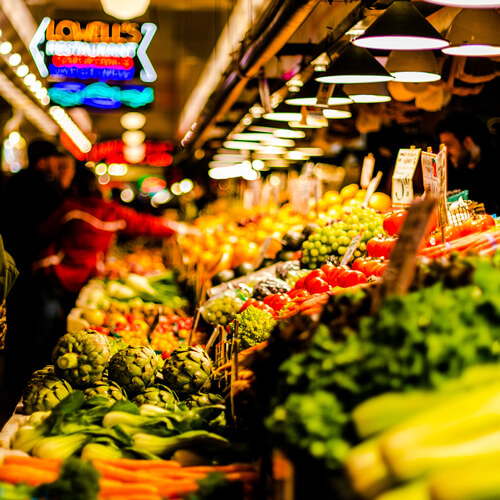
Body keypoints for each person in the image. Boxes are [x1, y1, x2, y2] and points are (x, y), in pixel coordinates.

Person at [32, 167, 182, 340]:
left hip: (55, 274)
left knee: (43, 332)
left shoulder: (69, 208)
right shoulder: (111, 211)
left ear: (74, 186)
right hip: (83, 275)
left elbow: (44, 233)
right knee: (60, 325)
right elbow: (143, 223)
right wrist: (177, 228)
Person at [0, 140, 73, 408]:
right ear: (43, 161)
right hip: (33, 264)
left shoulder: (16, 182)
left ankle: (12, 377)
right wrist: (64, 182)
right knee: (33, 326)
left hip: (14, 259)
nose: (57, 165)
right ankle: (24, 381)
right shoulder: (43, 186)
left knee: (16, 321)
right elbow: (59, 219)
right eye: (54, 159)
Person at [437, 111, 499, 215]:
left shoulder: (495, 165)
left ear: (467, 142)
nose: (445, 152)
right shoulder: (452, 170)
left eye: (449, 145)